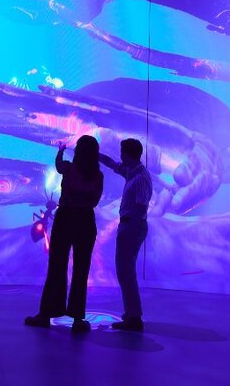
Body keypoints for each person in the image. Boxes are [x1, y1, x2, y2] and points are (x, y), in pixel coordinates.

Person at [25, 135, 104, 333]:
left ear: (77, 151)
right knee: (81, 269)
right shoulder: (98, 176)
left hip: (65, 218)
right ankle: (78, 320)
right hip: (85, 221)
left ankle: (45, 315)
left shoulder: (68, 169)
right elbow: (94, 202)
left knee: (56, 267)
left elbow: (58, 164)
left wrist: (60, 150)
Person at [99, 138, 152, 332]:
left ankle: (134, 317)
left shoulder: (141, 178)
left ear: (129, 154)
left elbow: (141, 205)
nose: (120, 156)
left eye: (122, 152)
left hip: (132, 226)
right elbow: (114, 165)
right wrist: (98, 155)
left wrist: (128, 227)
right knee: (125, 271)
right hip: (130, 226)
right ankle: (131, 314)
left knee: (126, 271)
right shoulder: (133, 173)